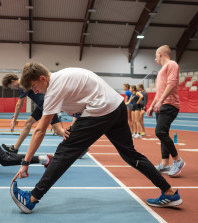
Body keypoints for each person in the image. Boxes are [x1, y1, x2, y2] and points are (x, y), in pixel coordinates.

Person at [10, 62, 182, 214]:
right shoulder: (65, 75)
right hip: (117, 106)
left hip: (100, 110)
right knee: (130, 154)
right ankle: (169, 192)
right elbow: (84, 99)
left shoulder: (53, 88)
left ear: (42, 78)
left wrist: (25, 162)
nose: (35, 91)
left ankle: (32, 198)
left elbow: (40, 130)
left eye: (34, 86)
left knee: (65, 152)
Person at [1, 74, 65, 154]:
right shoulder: (26, 82)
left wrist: (14, 120)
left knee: (58, 130)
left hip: (47, 106)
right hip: (42, 106)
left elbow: (19, 104)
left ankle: (77, 143)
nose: (12, 89)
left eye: (10, 87)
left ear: (12, 81)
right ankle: (15, 148)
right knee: (28, 123)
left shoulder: (22, 85)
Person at [147, 45, 185, 177]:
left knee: (160, 132)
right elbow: (159, 91)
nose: (155, 58)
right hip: (162, 104)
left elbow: (172, 84)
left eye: (156, 55)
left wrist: (161, 101)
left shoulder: (172, 64)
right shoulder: (161, 70)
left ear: (160, 54)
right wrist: (152, 105)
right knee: (163, 134)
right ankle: (164, 164)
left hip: (170, 105)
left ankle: (178, 161)